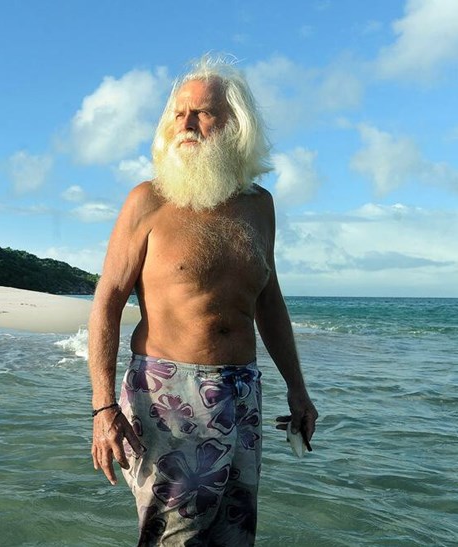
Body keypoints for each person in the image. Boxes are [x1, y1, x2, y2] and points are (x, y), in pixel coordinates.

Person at [87, 55, 318, 546]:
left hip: (243, 392)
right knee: (176, 538)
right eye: (178, 114)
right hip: (169, 394)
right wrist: (103, 407)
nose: (187, 124)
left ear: (236, 124)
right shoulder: (147, 200)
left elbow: (269, 301)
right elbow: (107, 300)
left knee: (235, 535)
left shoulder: (260, 205)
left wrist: (297, 389)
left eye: (203, 113)